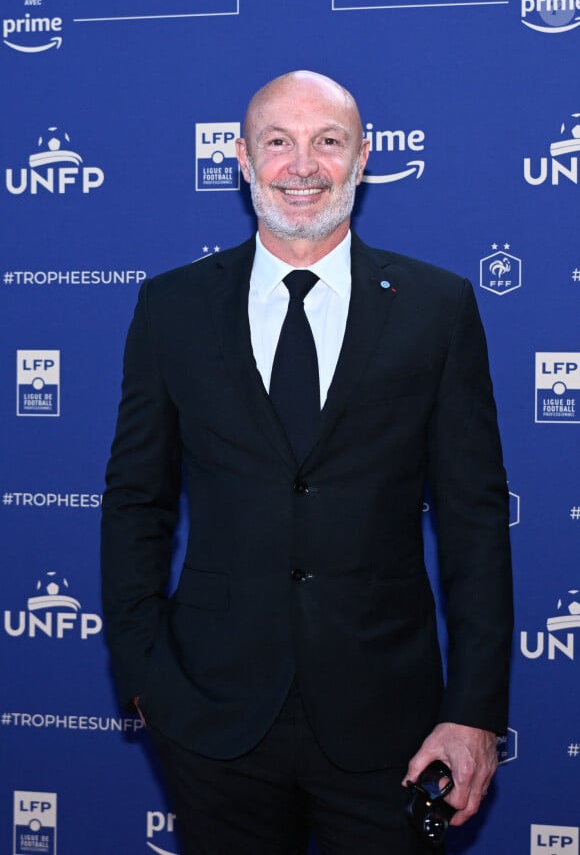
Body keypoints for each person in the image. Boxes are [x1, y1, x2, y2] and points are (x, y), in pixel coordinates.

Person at [101, 70, 513, 854]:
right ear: (243, 160)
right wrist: (144, 670)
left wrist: (475, 712)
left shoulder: (438, 307)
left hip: (390, 721)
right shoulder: (172, 307)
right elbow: (135, 501)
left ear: (362, 159)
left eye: (328, 142)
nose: (302, 166)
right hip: (211, 715)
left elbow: (474, 520)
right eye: (278, 143)